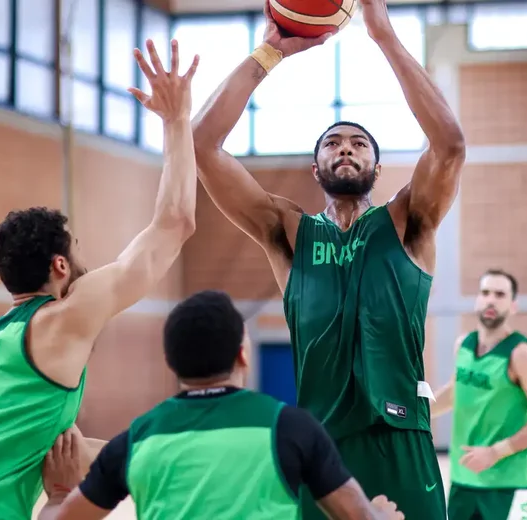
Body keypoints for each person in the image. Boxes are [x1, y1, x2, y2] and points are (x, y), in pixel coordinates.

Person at [191, 0, 465, 518]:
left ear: (377, 169)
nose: (346, 149)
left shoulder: (408, 223)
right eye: (333, 144)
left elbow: (449, 145)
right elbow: (203, 146)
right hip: (321, 447)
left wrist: (382, 34)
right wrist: (269, 53)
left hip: (402, 438)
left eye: (359, 144)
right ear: (316, 170)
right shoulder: (288, 231)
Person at [0, 39, 199, 518]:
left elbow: (61, 448)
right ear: (60, 266)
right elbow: (175, 224)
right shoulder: (62, 319)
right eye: (78, 252)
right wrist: (176, 122)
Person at [36, 290, 405, 520]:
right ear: (243, 355)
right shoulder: (290, 428)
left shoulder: (135, 440)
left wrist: (58, 495)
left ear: (172, 363)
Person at [431, 269, 527, 520]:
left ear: (513, 306)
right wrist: (416, 412)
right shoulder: (464, 345)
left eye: (500, 294)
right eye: (485, 293)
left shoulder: (523, 354)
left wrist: (495, 452)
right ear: (477, 300)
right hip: (464, 480)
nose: (491, 300)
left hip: (509, 484)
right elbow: (456, 392)